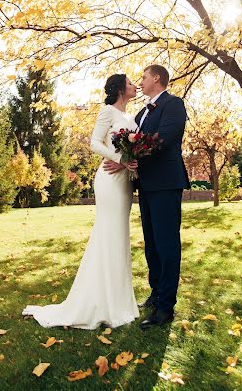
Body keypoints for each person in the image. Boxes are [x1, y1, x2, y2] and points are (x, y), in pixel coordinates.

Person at [22, 74, 140, 329]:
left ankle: (119, 301)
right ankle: (98, 301)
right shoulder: (108, 112)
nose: (135, 86)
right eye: (131, 83)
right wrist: (118, 159)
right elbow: (95, 143)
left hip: (125, 182)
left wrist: (131, 162)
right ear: (121, 89)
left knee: (119, 236)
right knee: (107, 233)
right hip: (109, 179)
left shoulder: (131, 118)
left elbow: (132, 149)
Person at [104, 65, 189, 329]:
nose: (139, 82)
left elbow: (161, 140)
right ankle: (156, 294)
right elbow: (130, 140)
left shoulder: (174, 104)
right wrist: (123, 159)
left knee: (167, 245)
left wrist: (128, 158)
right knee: (152, 244)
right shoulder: (142, 112)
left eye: (143, 77)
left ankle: (166, 308)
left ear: (156, 78)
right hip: (147, 185)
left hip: (165, 183)